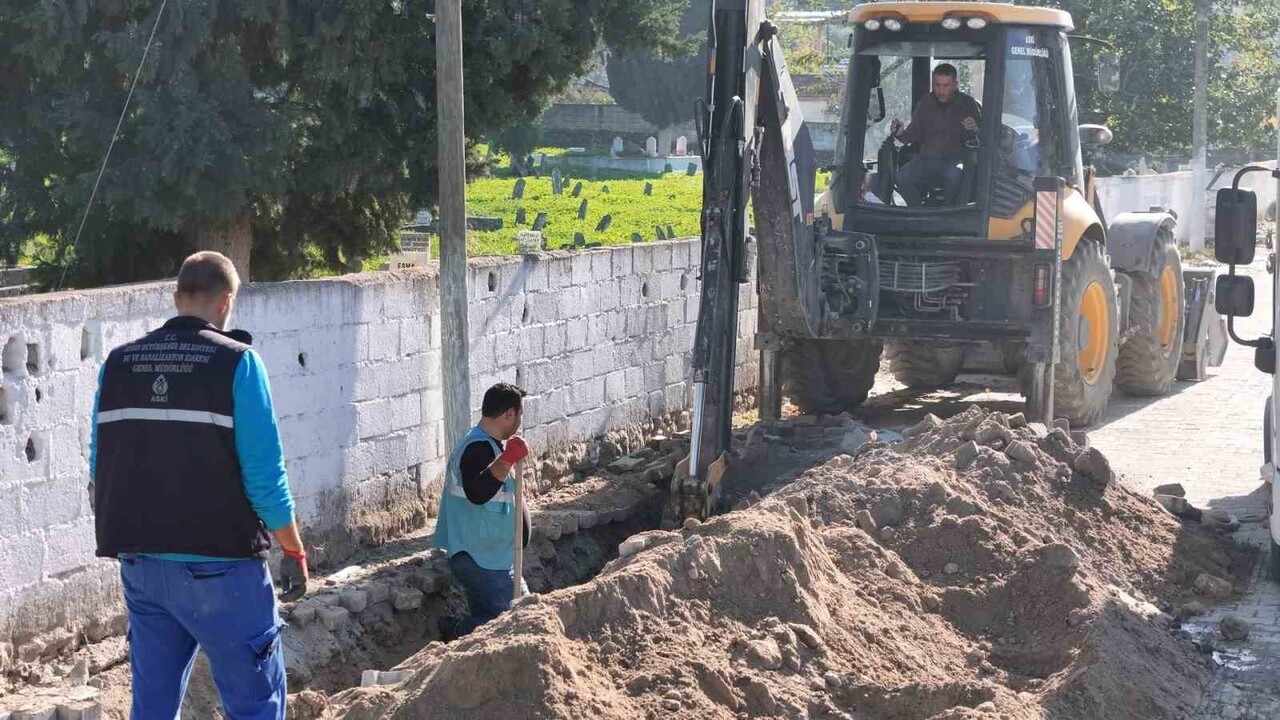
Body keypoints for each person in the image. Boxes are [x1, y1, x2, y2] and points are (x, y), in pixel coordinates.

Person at [90, 251, 307, 720]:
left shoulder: (117, 363)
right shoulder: (240, 364)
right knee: (256, 706)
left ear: (176, 299)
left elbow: (97, 466)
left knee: (152, 709)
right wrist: (293, 548)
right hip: (223, 571)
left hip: (143, 568)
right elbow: (265, 479)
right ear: (226, 301)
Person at [433, 383, 532, 639]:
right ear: (509, 414)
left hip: (495, 557)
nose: (520, 422)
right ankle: (456, 632)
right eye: (519, 415)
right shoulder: (476, 447)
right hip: (479, 557)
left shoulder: (492, 447)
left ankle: (464, 636)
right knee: (514, 622)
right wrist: (508, 460)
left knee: (519, 617)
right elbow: (477, 492)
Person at [889, 63, 983, 205]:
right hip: (927, 159)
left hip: (955, 159)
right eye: (937, 85)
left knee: (954, 176)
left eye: (946, 86)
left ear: (955, 84)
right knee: (902, 176)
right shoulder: (925, 104)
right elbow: (912, 134)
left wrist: (975, 128)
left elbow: (985, 135)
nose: (941, 90)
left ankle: (949, 213)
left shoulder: (968, 104)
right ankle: (918, 211)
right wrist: (900, 133)